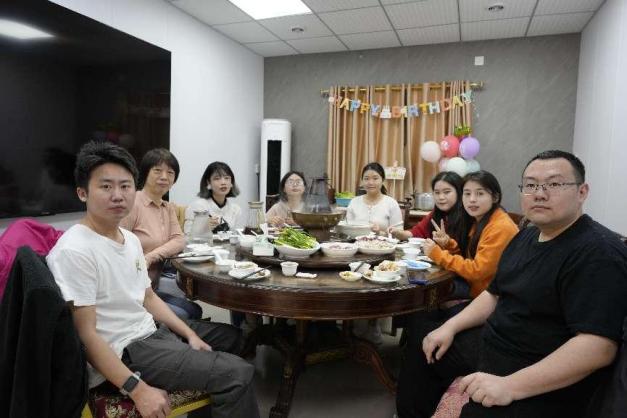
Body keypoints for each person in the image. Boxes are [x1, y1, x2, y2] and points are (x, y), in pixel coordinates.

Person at [396, 150, 627, 418]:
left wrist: (510, 386)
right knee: (425, 344)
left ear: (582, 192)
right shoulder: (526, 236)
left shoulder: (599, 252)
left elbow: (598, 347)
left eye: (554, 184)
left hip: (536, 365)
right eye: (530, 185)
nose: (539, 194)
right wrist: (449, 327)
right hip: (494, 342)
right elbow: (493, 294)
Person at [47, 141, 259, 418]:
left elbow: (147, 296)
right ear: (82, 193)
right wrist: (136, 388)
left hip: (150, 329)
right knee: (237, 373)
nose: (118, 195)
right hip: (126, 349)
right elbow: (85, 336)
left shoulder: (129, 239)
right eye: (106, 186)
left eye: (125, 186)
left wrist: (190, 335)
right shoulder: (75, 250)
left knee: (235, 338)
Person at [120, 148, 201, 319]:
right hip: (130, 291)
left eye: (170, 173)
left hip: (152, 287)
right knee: (184, 314)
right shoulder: (132, 203)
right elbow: (117, 248)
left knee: (195, 310)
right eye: (157, 170)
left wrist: (150, 257)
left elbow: (179, 240)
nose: (164, 177)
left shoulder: (167, 207)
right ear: (145, 173)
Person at [422, 170, 518, 300]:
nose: (472, 200)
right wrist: (448, 244)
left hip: (492, 297)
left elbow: (477, 271)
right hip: (476, 287)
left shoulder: (500, 227)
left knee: (428, 296)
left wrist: (437, 254)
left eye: (480, 193)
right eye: (467, 193)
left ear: (495, 197)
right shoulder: (481, 220)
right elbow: (468, 260)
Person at [389, 171, 465, 242]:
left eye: (447, 192)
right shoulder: (435, 214)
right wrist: (398, 233)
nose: (441, 197)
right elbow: (415, 233)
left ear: (459, 192)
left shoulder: (466, 216)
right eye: (437, 192)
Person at [184, 161, 242, 235]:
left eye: (227, 178)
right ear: (208, 183)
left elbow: (237, 235)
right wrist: (203, 228)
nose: (223, 182)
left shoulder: (236, 210)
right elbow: (187, 235)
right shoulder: (198, 206)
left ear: (231, 183)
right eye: (217, 178)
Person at [346, 162, 403, 235]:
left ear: (382, 180)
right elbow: (347, 229)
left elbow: (399, 234)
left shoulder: (391, 203)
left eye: (375, 178)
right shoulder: (354, 202)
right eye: (366, 179)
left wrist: (380, 233)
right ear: (362, 181)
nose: (370, 182)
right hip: (355, 241)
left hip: (384, 242)